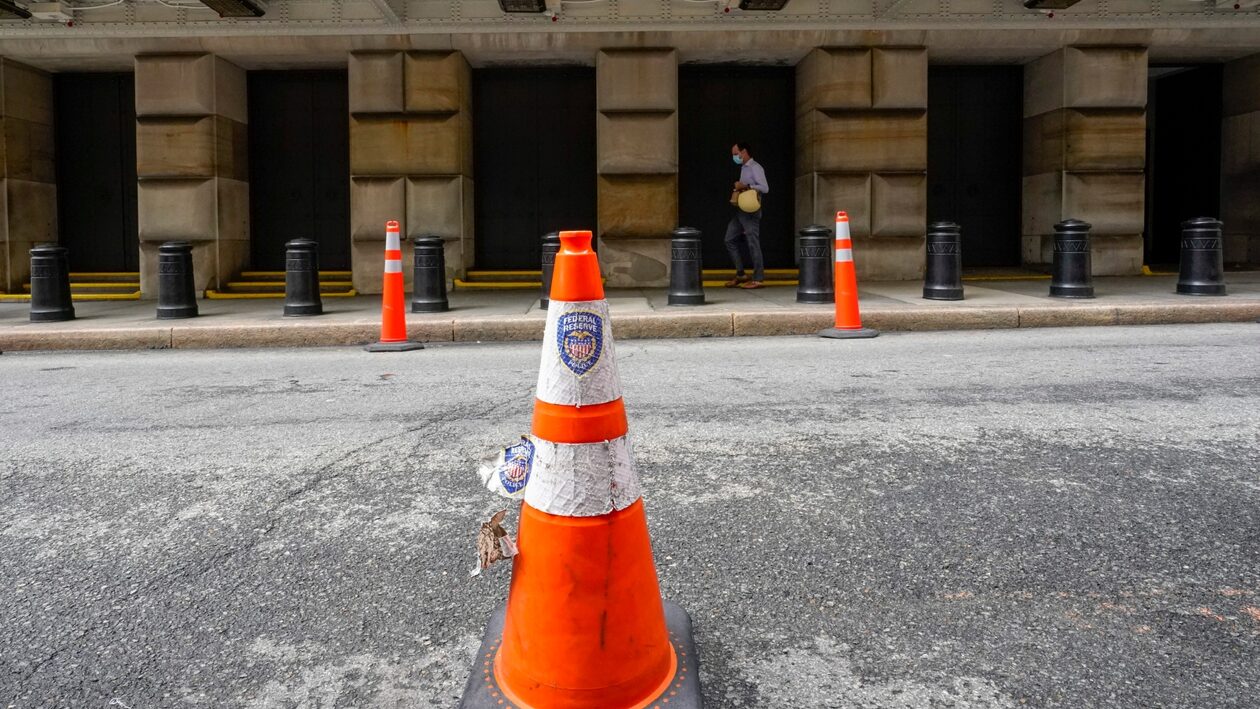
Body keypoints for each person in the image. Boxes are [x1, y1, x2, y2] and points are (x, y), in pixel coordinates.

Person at [724, 141, 770, 289]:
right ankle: (741, 274)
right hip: (741, 210)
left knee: (753, 242)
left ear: (744, 152)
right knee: (729, 239)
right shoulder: (744, 168)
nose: (734, 157)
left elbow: (764, 188)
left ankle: (758, 278)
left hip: (751, 211)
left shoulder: (755, 167)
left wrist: (746, 186)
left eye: (736, 154)